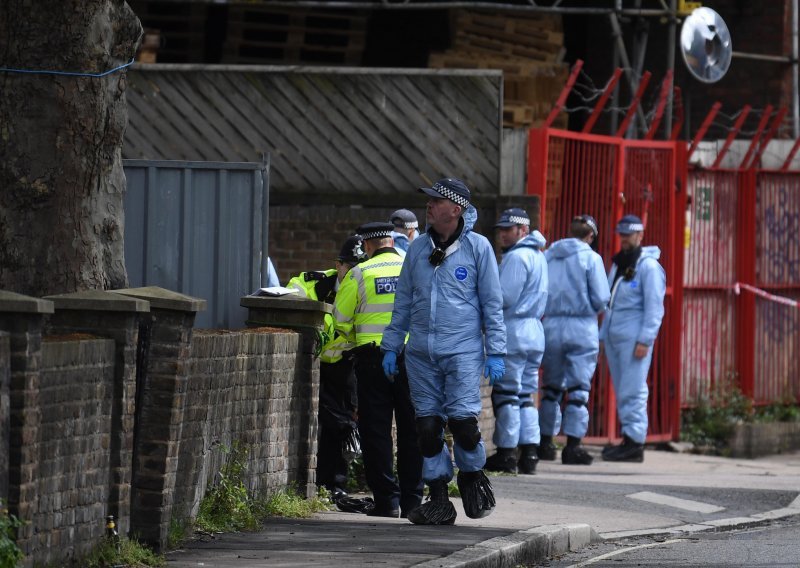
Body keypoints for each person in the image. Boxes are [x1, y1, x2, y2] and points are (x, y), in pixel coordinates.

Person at [381, 178, 506, 526]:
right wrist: (392, 347)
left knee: (465, 424)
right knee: (427, 426)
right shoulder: (418, 249)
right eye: (429, 201)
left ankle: (471, 475)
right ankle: (438, 497)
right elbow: (402, 303)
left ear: (456, 208)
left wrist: (496, 351)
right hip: (420, 354)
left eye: (436, 201)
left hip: (462, 351)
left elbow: (492, 304)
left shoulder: (478, 249)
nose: (429, 206)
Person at [333, 222, 423, 518]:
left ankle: (387, 501)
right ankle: (413, 501)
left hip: (373, 361)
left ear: (367, 246)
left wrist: (347, 346)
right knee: (413, 430)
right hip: (413, 360)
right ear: (391, 241)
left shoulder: (359, 273)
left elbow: (340, 320)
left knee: (376, 432)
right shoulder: (414, 269)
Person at [287, 235, 367, 501]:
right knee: (323, 423)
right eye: (349, 266)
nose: (352, 272)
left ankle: (336, 485)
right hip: (316, 363)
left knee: (343, 426)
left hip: (347, 364)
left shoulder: (364, 287)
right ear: (339, 264)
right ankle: (315, 483)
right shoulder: (316, 283)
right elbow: (293, 293)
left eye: (358, 266)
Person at [539, 215, 610, 465]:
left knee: (551, 388)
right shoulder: (591, 258)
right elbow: (602, 297)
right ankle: (573, 446)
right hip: (581, 324)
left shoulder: (550, 255)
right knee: (579, 390)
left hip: (551, 324)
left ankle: (545, 442)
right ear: (590, 236)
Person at [485, 208, 548, 475]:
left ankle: (507, 453)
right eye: (500, 229)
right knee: (526, 394)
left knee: (507, 393)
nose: (502, 234)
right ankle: (530, 452)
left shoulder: (516, 257)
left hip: (515, 329)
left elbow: (505, 297)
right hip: (535, 329)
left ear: (522, 230)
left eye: (508, 229)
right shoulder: (539, 256)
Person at [600, 214, 666, 463]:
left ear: (640, 235)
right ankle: (628, 438)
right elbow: (611, 302)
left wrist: (645, 340)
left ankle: (635, 442)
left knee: (634, 390)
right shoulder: (620, 263)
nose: (625, 239)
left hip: (634, 339)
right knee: (623, 389)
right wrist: (603, 335)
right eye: (622, 234)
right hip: (616, 337)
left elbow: (654, 308)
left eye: (629, 234)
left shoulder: (648, 267)